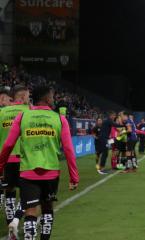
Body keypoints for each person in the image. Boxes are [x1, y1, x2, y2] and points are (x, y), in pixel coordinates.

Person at [0, 84, 79, 240]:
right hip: (51, 173)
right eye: (52, 95)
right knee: (47, 208)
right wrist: (73, 177)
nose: (53, 98)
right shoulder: (59, 119)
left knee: (30, 209)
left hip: (28, 172)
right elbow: (69, 150)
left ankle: (17, 226)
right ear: (47, 98)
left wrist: (0, 166)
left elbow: (8, 145)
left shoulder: (23, 117)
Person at [0, 84, 30, 238]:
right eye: (28, 96)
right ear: (23, 96)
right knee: (28, 194)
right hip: (25, 160)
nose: (29, 98)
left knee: (9, 193)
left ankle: (10, 225)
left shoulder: (2, 112)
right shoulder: (28, 112)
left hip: (6, 160)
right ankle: (17, 220)